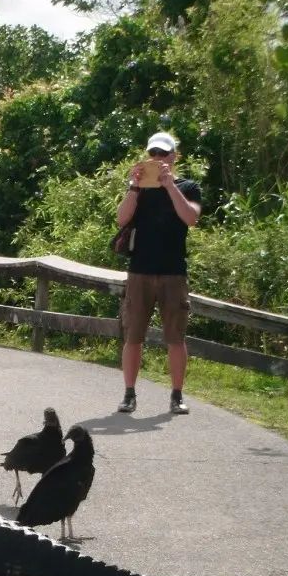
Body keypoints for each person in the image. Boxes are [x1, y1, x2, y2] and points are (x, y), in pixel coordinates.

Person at [115, 132, 202, 415]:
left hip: (173, 273)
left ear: (174, 156)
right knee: (133, 336)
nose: (158, 159)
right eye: (154, 154)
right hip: (139, 271)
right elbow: (122, 218)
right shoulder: (139, 190)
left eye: (164, 154)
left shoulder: (188, 187)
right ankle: (129, 394)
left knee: (176, 337)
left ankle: (177, 395)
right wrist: (134, 186)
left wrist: (169, 186)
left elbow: (190, 217)